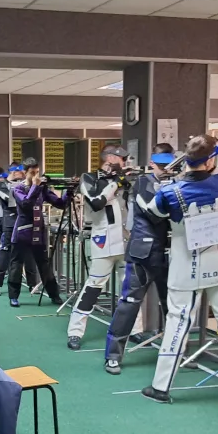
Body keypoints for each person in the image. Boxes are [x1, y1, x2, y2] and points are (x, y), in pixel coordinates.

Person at [141, 134, 218, 405]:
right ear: (209, 161)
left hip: (187, 263)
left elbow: (152, 213)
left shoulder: (169, 191)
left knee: (179, 320)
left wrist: (171, 182)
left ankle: (161, 386)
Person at [104, 144, 175, 375]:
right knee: (129, 305)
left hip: (169, 253)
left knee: (174, 307)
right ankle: (113, 356)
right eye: (161, 165)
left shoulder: (176, 183)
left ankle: (175, 353)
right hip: (142, 254)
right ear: (152, 163)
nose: (165, 170)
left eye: (169, 166)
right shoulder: (143, 182)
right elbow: (154, 213)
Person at [67, 145, 132, 351]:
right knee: (93, 288)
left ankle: (135, 329)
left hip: (126, 240)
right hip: (104, 240)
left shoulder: (123, 179)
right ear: (111, 158)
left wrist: (124, 181)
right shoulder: (89, 178)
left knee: (130, 288)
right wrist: (115, 182)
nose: (124, 163)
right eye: (121, 159)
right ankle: (75, 331)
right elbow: (96, 202)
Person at [9, 158, 65, 308]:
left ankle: (54, 295)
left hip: (38, 233)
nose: (36, 175)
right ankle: (13, 296)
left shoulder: (42, 188)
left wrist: (69, 191)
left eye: (37, 172)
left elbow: (59, 203)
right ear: (25, 172)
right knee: (16, 265)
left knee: (44, 265)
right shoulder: (18, 188)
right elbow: (26, 204)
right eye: (32, 173)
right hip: (22, 232)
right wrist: (35, 186)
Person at [0, 163, 39, 297]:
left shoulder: (24, 184)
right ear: (13, 171)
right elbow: (10, 200)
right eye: (21, 171)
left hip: (25, 223)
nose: (23, 173)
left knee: (29, 254)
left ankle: (32, 284)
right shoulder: (1, 185)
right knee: (4, 254)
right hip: (10, 224)